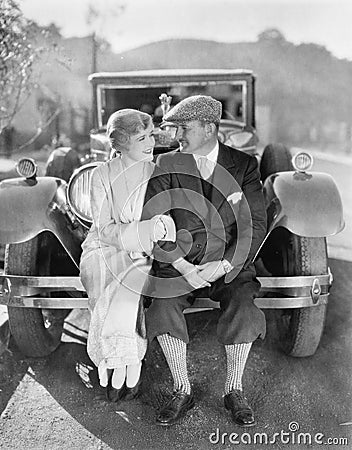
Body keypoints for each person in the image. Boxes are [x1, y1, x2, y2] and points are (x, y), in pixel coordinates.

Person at [142, 95, 267, 427]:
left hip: (229, 262)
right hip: (179, 261)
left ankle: (234, 390)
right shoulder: (166, 164)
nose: (177, 136)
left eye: (184, 128)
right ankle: (181, 389)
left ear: (209, 128)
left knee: (243, 301)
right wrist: (182, 266)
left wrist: (224, 265)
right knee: (163, 303)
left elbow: (255, 223)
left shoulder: (244, 165)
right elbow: (155, 220)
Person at [80, 109, 175, 402]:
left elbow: (166, 220)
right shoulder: (102, 174)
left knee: (130, 281)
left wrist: (149, 234)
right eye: (140, 138)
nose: (150, 143)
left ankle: (128, 362)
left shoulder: (158, 171)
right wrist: (142, 231)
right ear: (120, 144)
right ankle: (115, 361)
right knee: (100, 271)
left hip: (146, 248)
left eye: (150, 136)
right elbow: (104, 227)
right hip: (104, 245)